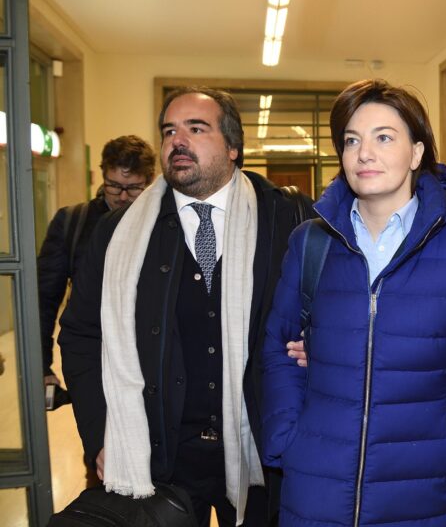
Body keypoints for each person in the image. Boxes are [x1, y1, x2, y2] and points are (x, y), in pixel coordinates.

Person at [261, 79, 446, 526]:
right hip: (318, 493)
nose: (364, 153)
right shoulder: (311, 243)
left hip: (428, 498)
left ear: (416, 153)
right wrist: (288, 439)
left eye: (384, 137)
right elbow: (279, 346)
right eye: (351, 140)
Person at [58, 87, 300, 526]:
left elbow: (323, 316)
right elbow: (81, 334)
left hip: (262, 455)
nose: (178, 141)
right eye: (169, 131)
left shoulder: (284, 220)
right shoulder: (118, 233)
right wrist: (100, 434)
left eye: (196, 128)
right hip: (159, 458)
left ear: (233, 146)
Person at [38, 135, 156, 399]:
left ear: (149, 181)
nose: (122, 197)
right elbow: (44, 300)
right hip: (92, 356)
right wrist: (41, 365)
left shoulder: (162, 224)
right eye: (114, 186)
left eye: (133, 188)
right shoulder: (72, 222)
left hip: (150, 358)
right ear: (103, 176)